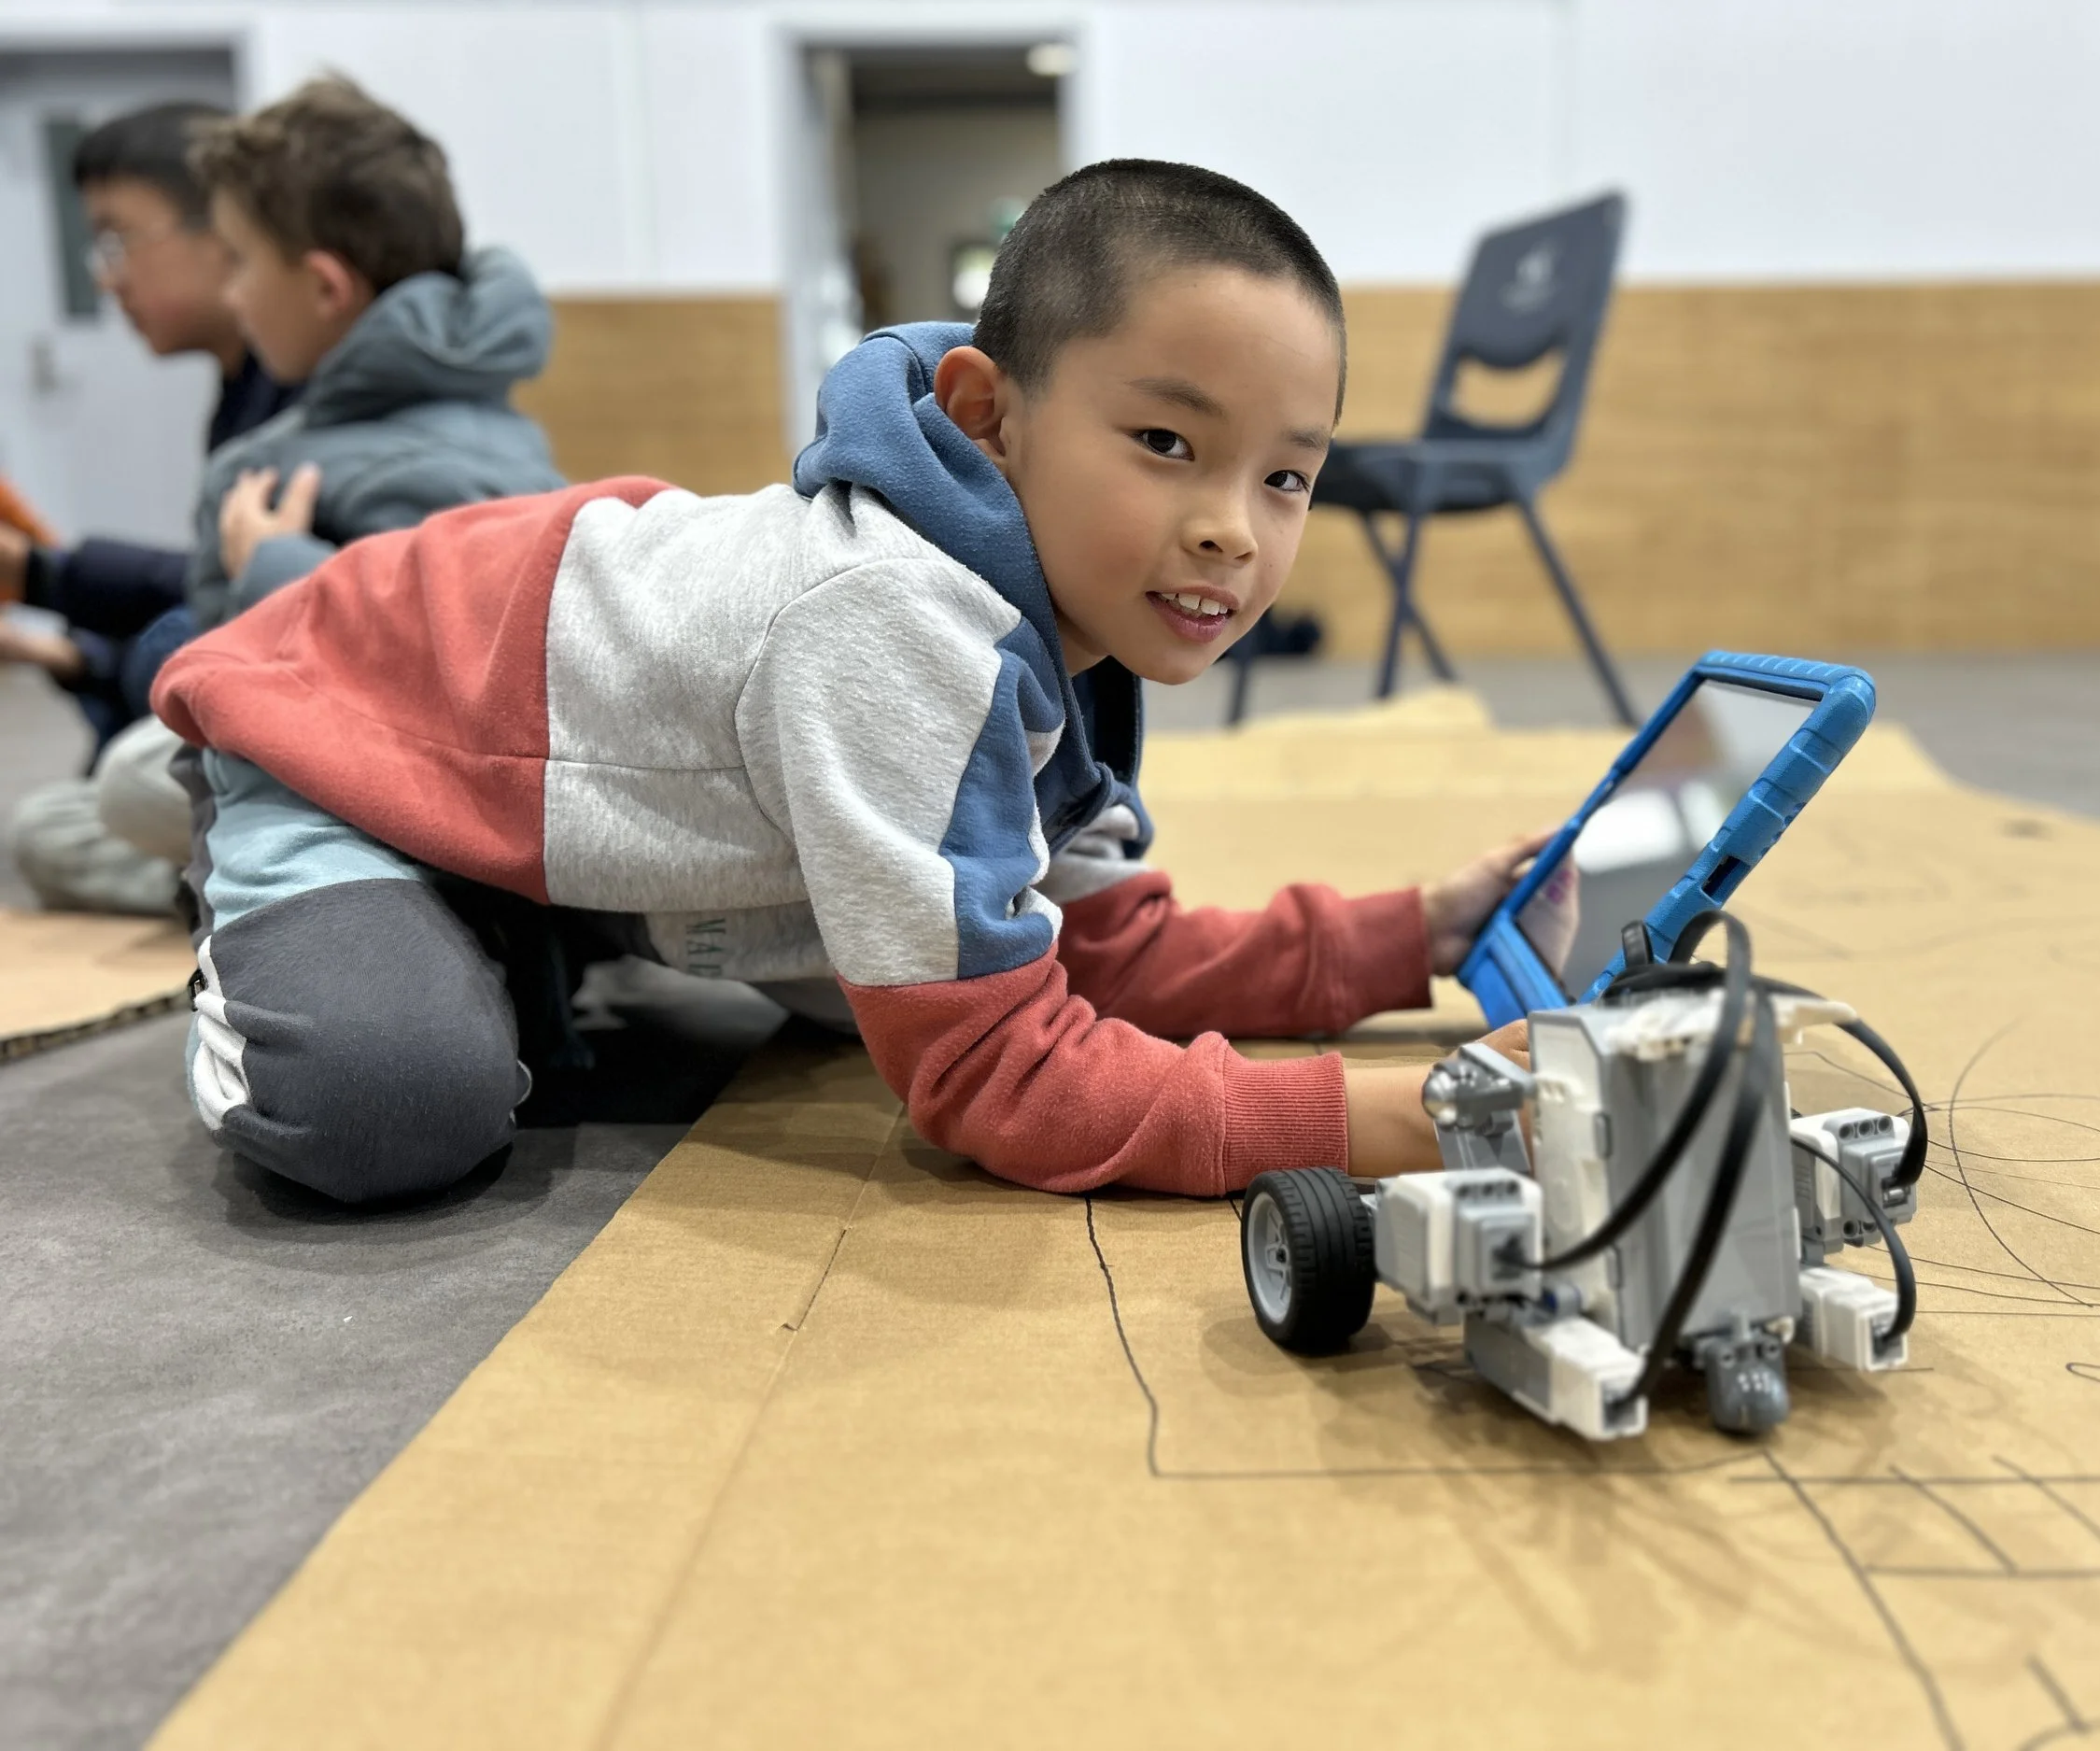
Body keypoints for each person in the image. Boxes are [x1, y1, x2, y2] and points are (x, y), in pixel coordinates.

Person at [152, 159, 1579, 1207]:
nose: (1232, 528)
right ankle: (247, 853)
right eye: (1166, 442)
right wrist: (1410, 1115)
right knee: (392, 1104)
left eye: (1286, 477)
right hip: (353, 714)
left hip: (542, 749)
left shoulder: (1062, 622)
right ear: (986, 417)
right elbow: (996, 1075)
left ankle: (508, 909)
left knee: (853, 969)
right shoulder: (899, 625)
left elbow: (1104, 955)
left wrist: (1421, 934)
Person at [81, 74, 564, 884]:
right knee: (92, 803)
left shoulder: (352, 463)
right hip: (415, 784)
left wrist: (269, 571)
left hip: (437, 791)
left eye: (240, 263)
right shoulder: (481, 417)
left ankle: (276, 882)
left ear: (325, 287)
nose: (233, 293)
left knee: (133, 779)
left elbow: (443, 690)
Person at [1, 101, 299, 915]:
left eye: (117, 240)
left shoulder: (313, 388)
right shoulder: (242, 388)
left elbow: (253, 617)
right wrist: (57, 648)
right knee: (57, 821)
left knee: (167, 661)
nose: (107, 276)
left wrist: (41, 575)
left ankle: (267, 886)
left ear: (225, 229)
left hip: (320, 732)